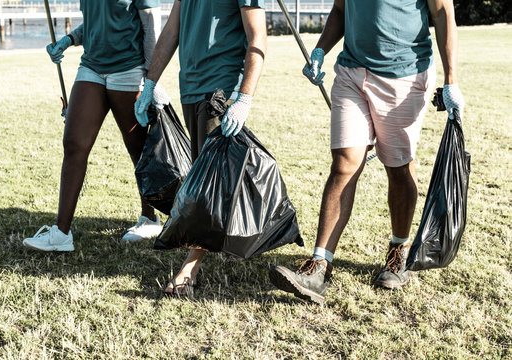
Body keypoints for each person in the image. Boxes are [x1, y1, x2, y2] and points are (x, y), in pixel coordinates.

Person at [269, 0, 465, 304]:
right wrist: (321, 50)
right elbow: (339, 9)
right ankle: (319, 265)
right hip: (352, 73)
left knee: (398, 167)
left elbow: (442, 12)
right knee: (344, 163)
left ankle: (397, 251)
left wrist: (451, 80)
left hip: (404, 78)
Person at [134, 0, 267, 295]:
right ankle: (241, 233)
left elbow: (258, 36)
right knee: (205, 172)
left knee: (209, 180)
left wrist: (243, 98)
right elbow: (171, 31)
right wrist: (150, 82)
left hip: (220, 87)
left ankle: (190, 269)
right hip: (190, 86)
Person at [23, 0, 164, 251]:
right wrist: (68, 40)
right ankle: (61, 234)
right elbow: (96, 24)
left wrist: (151, 81)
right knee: (74, 143)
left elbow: (151, 27)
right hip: (91, 66)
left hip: (129, 68)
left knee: (138, 148)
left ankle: (150, 217)